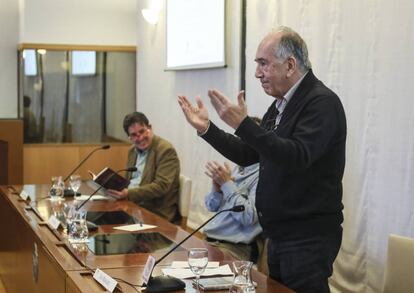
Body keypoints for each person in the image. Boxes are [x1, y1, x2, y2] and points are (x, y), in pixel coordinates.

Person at [178, 26, 346, 293]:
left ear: (290, 65)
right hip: (277, 234)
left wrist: (244, 124)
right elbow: (249, 153)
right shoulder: (281, 104)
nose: (257, 73)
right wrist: (207, 129)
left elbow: (296, 156)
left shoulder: (321, 103)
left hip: (307, 237)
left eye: (264, 64)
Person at [106, 112, 181, 223]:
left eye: (142, 131)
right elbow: (129, 181)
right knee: (100, 221)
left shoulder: (165, 150)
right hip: (132, 206)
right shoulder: (132, 151)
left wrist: (128, 194)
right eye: (134, 135)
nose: (140, 138)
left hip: (155, 213)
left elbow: (161, 186)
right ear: (129, 137)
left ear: (149, 128)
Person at [203, 160, 262, 262]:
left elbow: (248, 217)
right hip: (210, 240)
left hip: (234, 247)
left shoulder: (263, 174)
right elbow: (211, 206)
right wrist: (217, 190)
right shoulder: (240, 167)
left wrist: (226, 184)